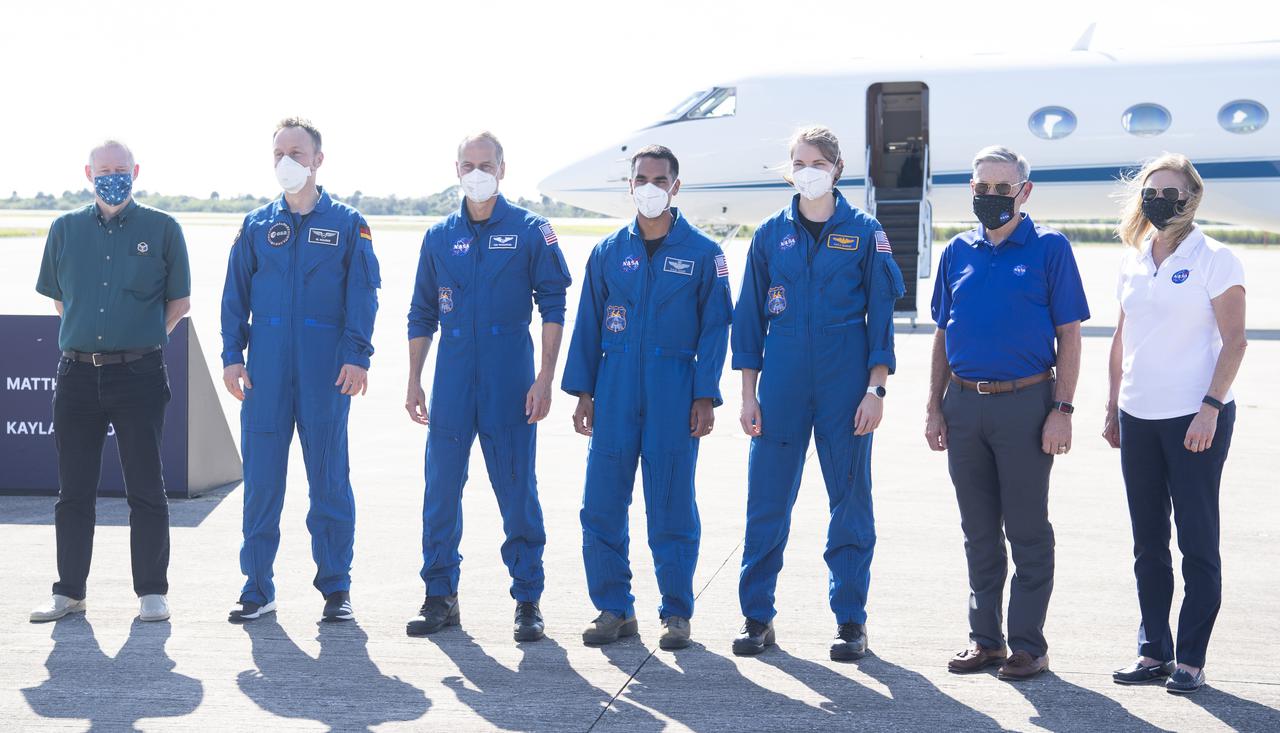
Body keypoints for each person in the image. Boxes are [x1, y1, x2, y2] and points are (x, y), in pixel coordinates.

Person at [730, 126, 904, 660]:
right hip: (780, 383)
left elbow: (881, 319)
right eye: (797, 161)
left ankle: (850, 621)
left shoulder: (865, 231)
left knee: (849, 504)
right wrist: (748, 394)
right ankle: (757, 617)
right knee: (766, 502)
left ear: (836, 167)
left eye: (816, 162)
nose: (806, 170)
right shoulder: (769, 234)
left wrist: (875, 389)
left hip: (844, 380)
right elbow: (749, 317)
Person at [925, 145, 1089, 680]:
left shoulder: (1049, 249)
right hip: (965, 406)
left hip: (1026, 405)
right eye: (981, 188)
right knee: (978, 532)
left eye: (1001, 188)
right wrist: (935, 406)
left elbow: (1069, 334)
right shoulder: (957, 252)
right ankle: (986, 640)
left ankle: (1027, 645)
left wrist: (1061, 408)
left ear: (1024, 191)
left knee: (1026, 530)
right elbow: (943, 334)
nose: (990, 197)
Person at [562, 144, 731, 650]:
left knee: (672, 506)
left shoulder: (704, 254)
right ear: (630, 185)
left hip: (674, 393)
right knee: (601, 505)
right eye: (642, 178)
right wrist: (584, 391)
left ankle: (675, 613)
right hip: (614, 392)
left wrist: (704, 395)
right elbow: (588, 324)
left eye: (660, 179)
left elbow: (716, 328)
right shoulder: (609, 252)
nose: (650, 187)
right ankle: (615, 608)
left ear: (675, 186)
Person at [404, 131, 572, 642]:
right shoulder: (438, 236)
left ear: (503, 168)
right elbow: (421, 313)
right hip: (453, 374)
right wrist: (414, 379)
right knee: (440, 490)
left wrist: (544, 378)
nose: (477, 173)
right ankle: (440, 596)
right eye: (468, 164)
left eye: (486, 164)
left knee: (517, 488)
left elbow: (553, 304)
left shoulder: (531, 230)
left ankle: (527, 599)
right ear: (456, 169)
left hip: (509, 374)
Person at [220, 117, 380, 623]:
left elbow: (363, 295)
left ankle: (336, 588)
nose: (287, 162)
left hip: (325, 372)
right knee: (263, 482)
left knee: (330, 481)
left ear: (317, 160)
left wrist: (358, 355)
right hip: (265, 372)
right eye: (278, 154)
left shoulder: (349, 224)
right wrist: (232, 356)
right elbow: (233, 296)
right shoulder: (255, 225)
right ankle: (257, 586)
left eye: (297, 153)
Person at [31, 140, 191, 624]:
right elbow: (61, 301)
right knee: (73, 489)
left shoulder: (162, 229)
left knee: (145, 485)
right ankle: (69, 591)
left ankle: (151, 592)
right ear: (88, 173)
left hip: (139, 373)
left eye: (121, 169)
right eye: (104, 170)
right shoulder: (64, 230)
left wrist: (138, 341)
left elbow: (178, 303)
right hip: (77, 373)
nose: (113, 177)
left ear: (136, 171)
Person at [1103, 154, 1247, 695]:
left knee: (1197, 542)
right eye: (1152, 190)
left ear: (1193, 198)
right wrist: (1112, 406)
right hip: (1138, 416)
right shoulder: (1133, 259)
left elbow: (1235, 341)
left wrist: (1211, 405)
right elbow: (1122, 339)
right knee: (1147, 543)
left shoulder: (1216, 259)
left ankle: (1190, 658)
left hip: (1195, 418)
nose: (1161, 200)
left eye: (1172, 192)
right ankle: (1152, 649)